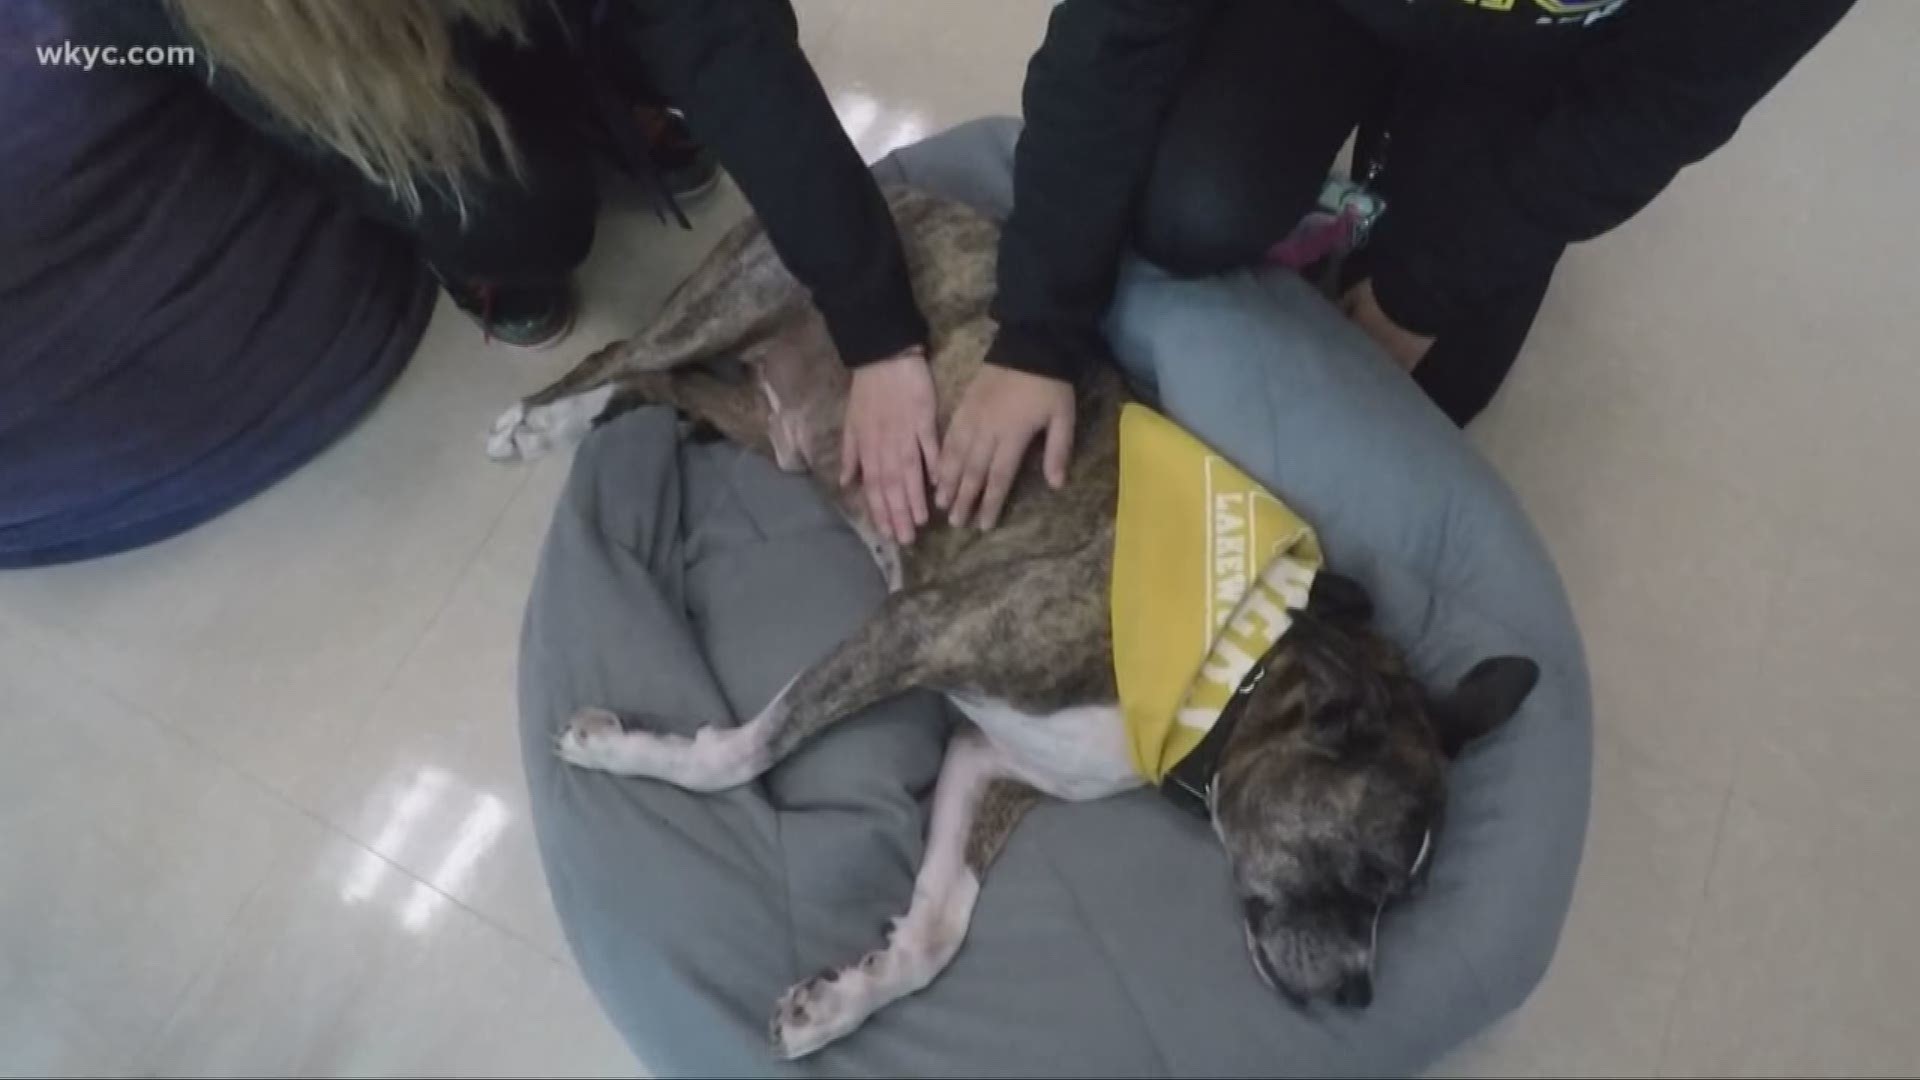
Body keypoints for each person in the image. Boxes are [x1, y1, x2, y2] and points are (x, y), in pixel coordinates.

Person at [935, 0, 1856, 533]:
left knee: (1431, 390)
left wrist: (1418, 296)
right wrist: (1036, 329)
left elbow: (1654, 113)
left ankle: (1415, 165)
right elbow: (1117, 27)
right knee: (1188, 211)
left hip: (1543, 68)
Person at [66, 0, 944, 545]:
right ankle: (491, 244)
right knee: (521, 220)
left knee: (730, 28)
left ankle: (606, 105)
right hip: (347, 67)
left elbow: (720, 31)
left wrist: (881, 333)